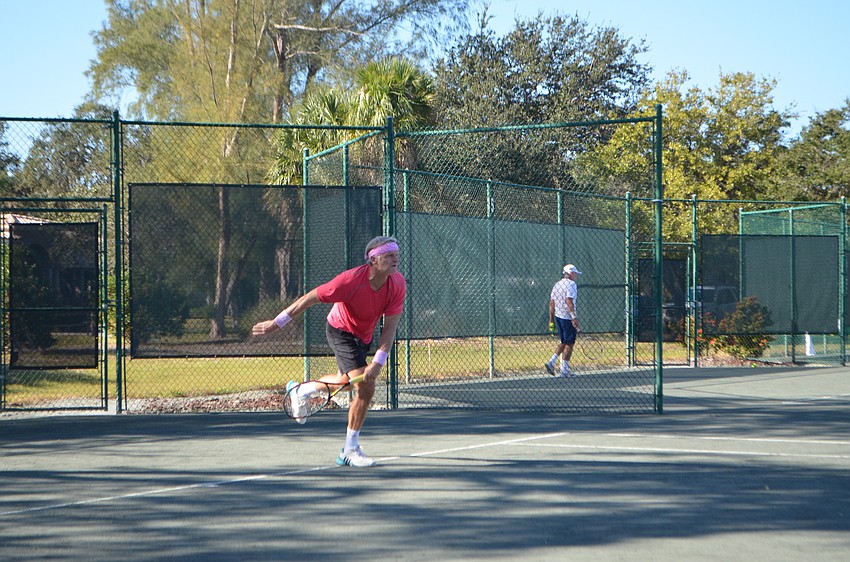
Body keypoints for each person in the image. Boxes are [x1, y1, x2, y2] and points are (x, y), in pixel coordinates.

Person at [252, 236, 406, 468]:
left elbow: (391, 326)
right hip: (340, 330)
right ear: (374, 260)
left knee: (345, 379)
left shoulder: (397, 284)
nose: (396, 259)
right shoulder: (349, 281)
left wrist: (378, 362)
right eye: (389, 255)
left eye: (396, 254)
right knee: (365, 386)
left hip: (363, 335)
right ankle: (349, 450)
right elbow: (308, 299)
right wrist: (276, 323)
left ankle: (300, 390)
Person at [545, 264, 582, 378]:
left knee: (564, 341)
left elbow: (552, 303)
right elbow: (569, 301)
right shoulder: (572, 284)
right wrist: (573, 317)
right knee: (569, 343)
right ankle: (564, 371)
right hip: (567, 317)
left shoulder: (557, 285)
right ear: (571, 273)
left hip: (558, 317)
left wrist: (551, 320)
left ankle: (552, 362)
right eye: (575, 273)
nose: (576, 275)